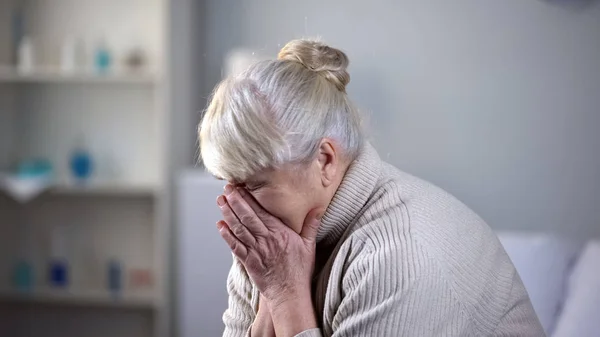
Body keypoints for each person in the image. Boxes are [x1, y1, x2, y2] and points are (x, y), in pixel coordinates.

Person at [198, 39, 544, 337]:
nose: (234, 202)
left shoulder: (399, 256)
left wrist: (285, 295)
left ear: (325, 161)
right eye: (228, 182)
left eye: (255, 184)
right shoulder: (270, 245)